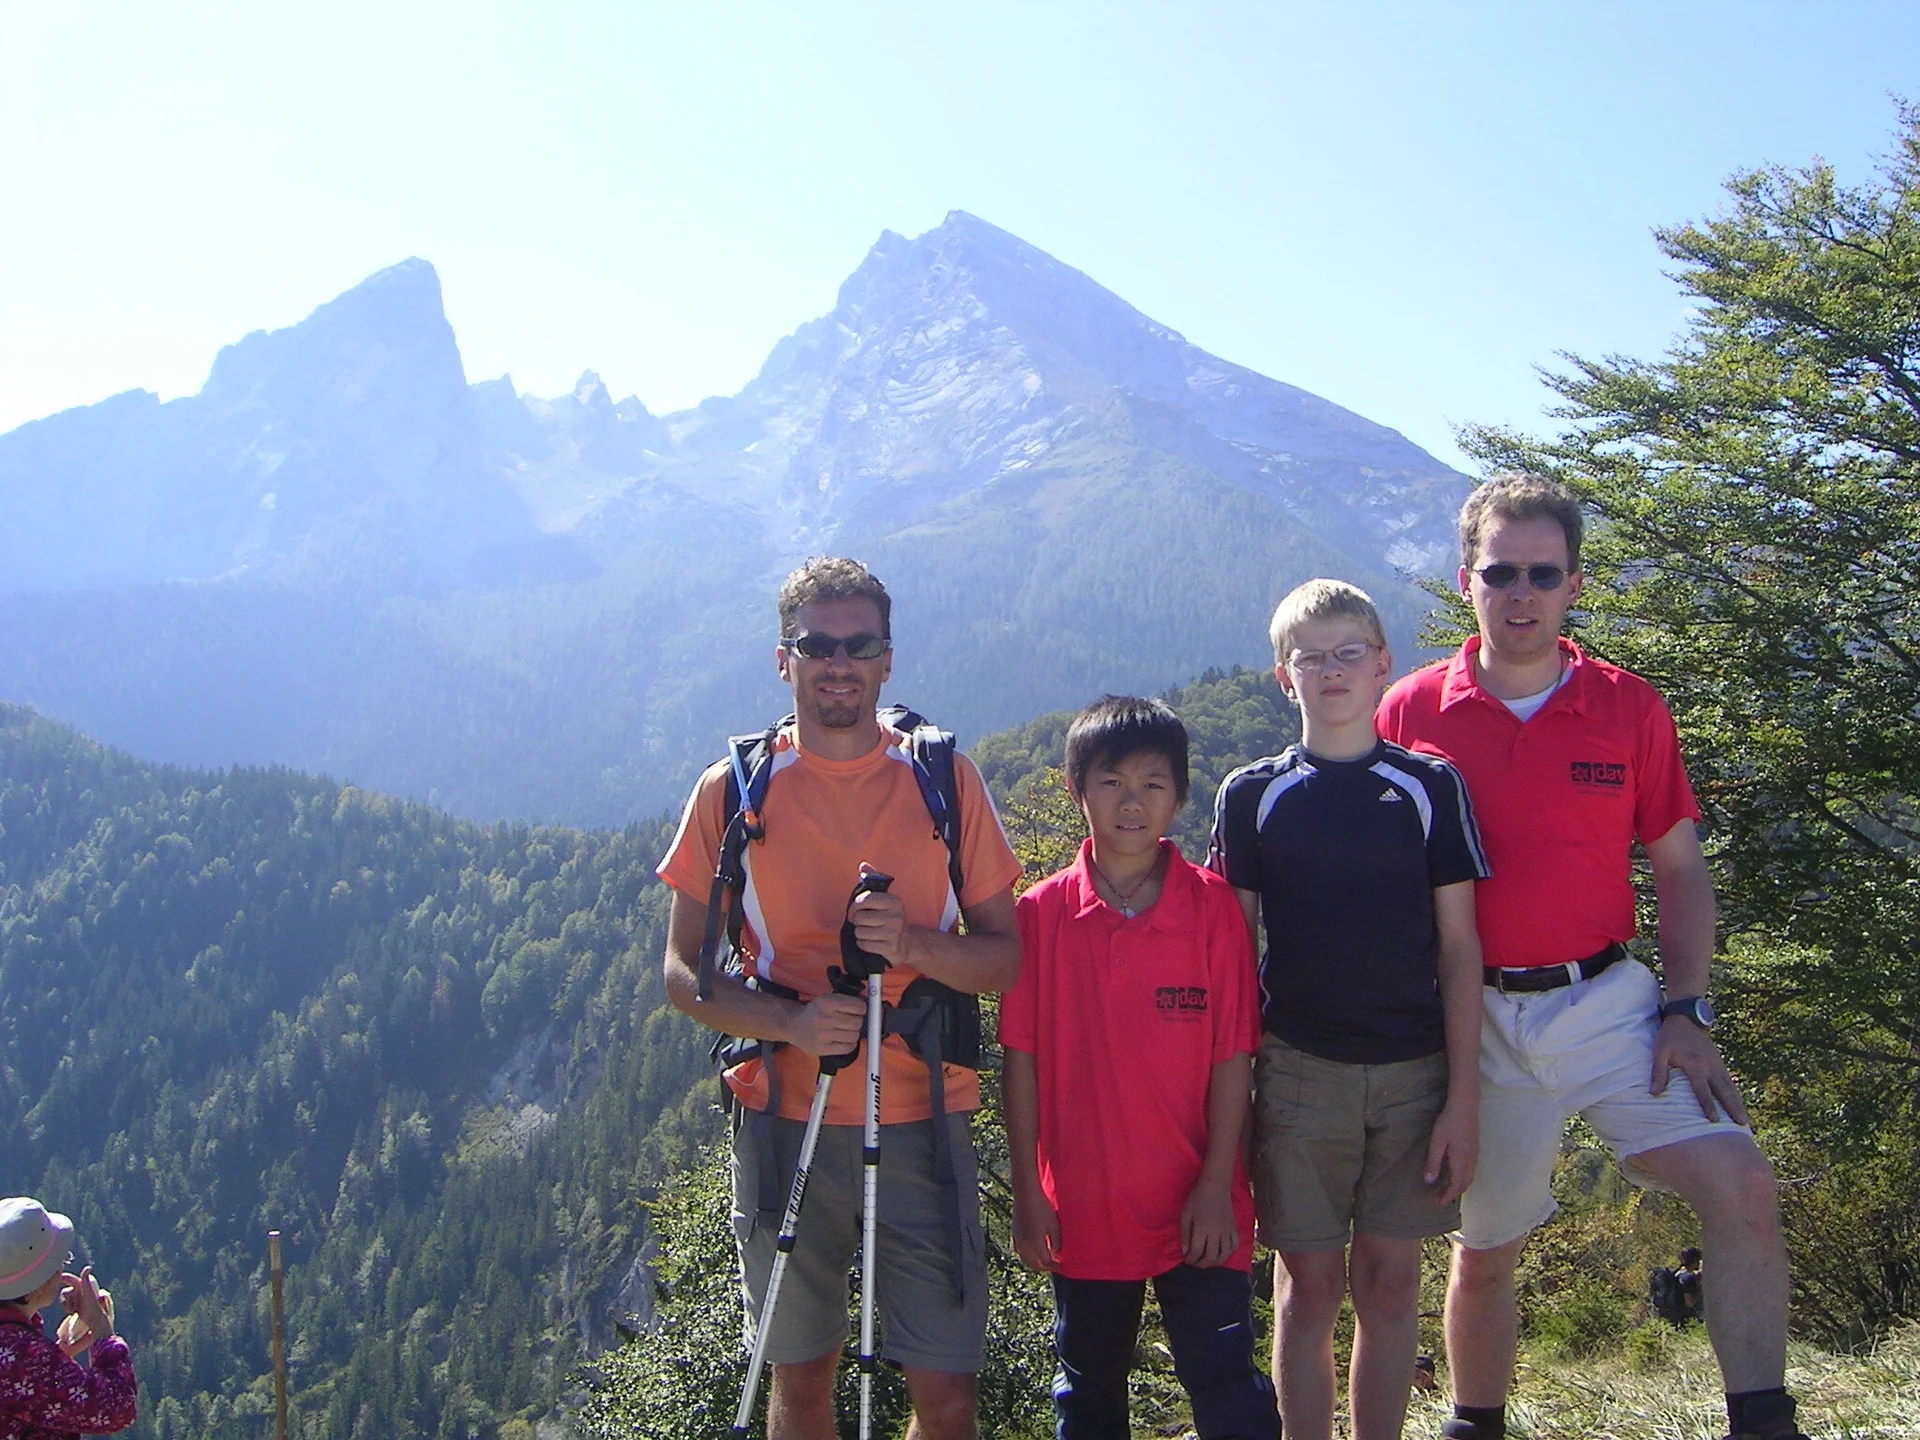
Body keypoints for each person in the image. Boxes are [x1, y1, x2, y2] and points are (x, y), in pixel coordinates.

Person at [1376, 473, 1806, 1440]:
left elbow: (1681, 871)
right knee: (1485, 1244)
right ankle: (1473, 1423)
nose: (1520, 592)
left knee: (1741, 1186)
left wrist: (1689, 1012)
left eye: (1542, 573)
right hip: (1471, 1018)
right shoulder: (1409, 713)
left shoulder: (1629, 708)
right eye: (1500, 572)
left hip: (1610, 1004)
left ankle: (1763, 1421)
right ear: (1466, 582)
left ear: (1575, 586)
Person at [660, 557, 1023, 1440]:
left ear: (887, 660)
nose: (838, 662)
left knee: (946, 1393)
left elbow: (1005, 959)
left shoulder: (946, 781)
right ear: (783, 660)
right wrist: (786, 1020)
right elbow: (682, 972)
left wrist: (913, 945)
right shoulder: (735, 791)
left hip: (922, 1117)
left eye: (858, 644)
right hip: (786, 1111)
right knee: (803, 1380)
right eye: (816, 644)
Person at [1211, 580, 1488, 1440]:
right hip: (1297, 1070)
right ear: (1282, 678)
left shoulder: (1430, 787)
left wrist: (1465, 1100)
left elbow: (1460, 948)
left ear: (1382, 667)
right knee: (1307, 1286)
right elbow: (1230, 955)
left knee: (1392, 1278)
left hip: (1415, 1073)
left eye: (1347, 654)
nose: (1330, 671)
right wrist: (1234, 1094)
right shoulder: (1251, 795)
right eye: (1310, 658)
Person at [1001, 696, 1278, 1440]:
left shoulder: (1214, 908)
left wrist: (1219, 1185)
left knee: (1227, 1388)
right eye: (1111, 782)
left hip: (1200, 1200)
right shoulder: (1040, 915)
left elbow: (1233, 1056)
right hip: (1083, 1208)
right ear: (1075, 789)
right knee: (1089, 1394)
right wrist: (1030, 1191)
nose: (1132, 802)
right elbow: (1020, 1062)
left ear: (1181, 799)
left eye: (1154, 784)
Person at [0, 1197, 137, 1440]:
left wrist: (59, 1356)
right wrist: (101, 1329)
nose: (62, 1270)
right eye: (58, 1263)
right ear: (35, 1284)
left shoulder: (18, 1352)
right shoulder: (23, 1357)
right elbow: (117, 1407)